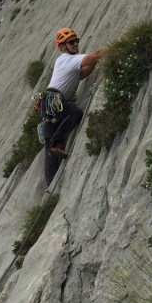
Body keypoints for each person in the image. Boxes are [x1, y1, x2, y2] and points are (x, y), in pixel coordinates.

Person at [42, 27, 108, 185]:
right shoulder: (68, 59)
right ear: (63, 47)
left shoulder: (65, 62)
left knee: (49, 144)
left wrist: (95, 61)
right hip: (54, 99)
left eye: (76, 40)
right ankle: (54, 145)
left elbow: (81, 74)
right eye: (71, 42)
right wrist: (112, 48)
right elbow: (94, 56)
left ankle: (50, 184)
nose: (75, 44)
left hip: (47, 101)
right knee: (75, 114)